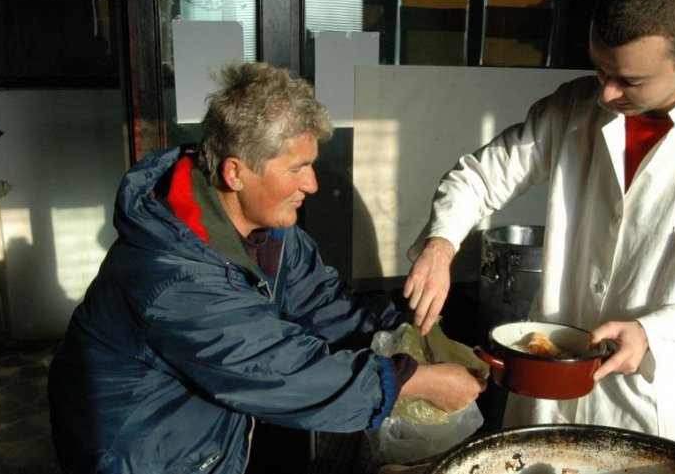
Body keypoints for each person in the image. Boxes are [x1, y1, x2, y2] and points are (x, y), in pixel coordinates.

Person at [403, 0, 675, 456]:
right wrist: (441, 245)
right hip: (550, 391)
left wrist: (652, 334)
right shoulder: (576, 105)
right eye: (601, 69)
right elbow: (481, 176)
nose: (607, 94)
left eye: (630, 80)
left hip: (656, 401)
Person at [47, 62, 485, 474]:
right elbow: (279, 371)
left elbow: (322, 303)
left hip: (204, 443)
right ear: (236, 173)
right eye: (298, 168)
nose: (312, 184)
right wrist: (413, 381)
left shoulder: (267, 229)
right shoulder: (173, 276)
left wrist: (412, 334)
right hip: (145, 456)